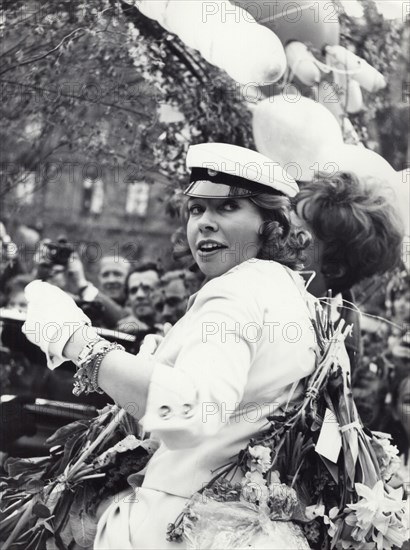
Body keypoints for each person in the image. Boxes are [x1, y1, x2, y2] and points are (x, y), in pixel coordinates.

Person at [23, 142, 319, 549]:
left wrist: (76, 340)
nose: (205, 224)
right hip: (245, 527)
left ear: (270, 225)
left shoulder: (234, 292)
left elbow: (190, 411)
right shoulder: (294, 293)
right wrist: (155, 366)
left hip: (178, 527)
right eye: (197, 209)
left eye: (227, 208)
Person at [292, 171, 404, 372]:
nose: (277, 235)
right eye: (287, 220)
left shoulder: (341, 348)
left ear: (333, 269)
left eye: (298, 236)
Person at [116, 262, 161, 334]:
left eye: (147, 289)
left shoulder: (179, 327)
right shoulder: (121, 331)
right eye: (133, 290)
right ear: (128, 299)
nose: (139, 295)